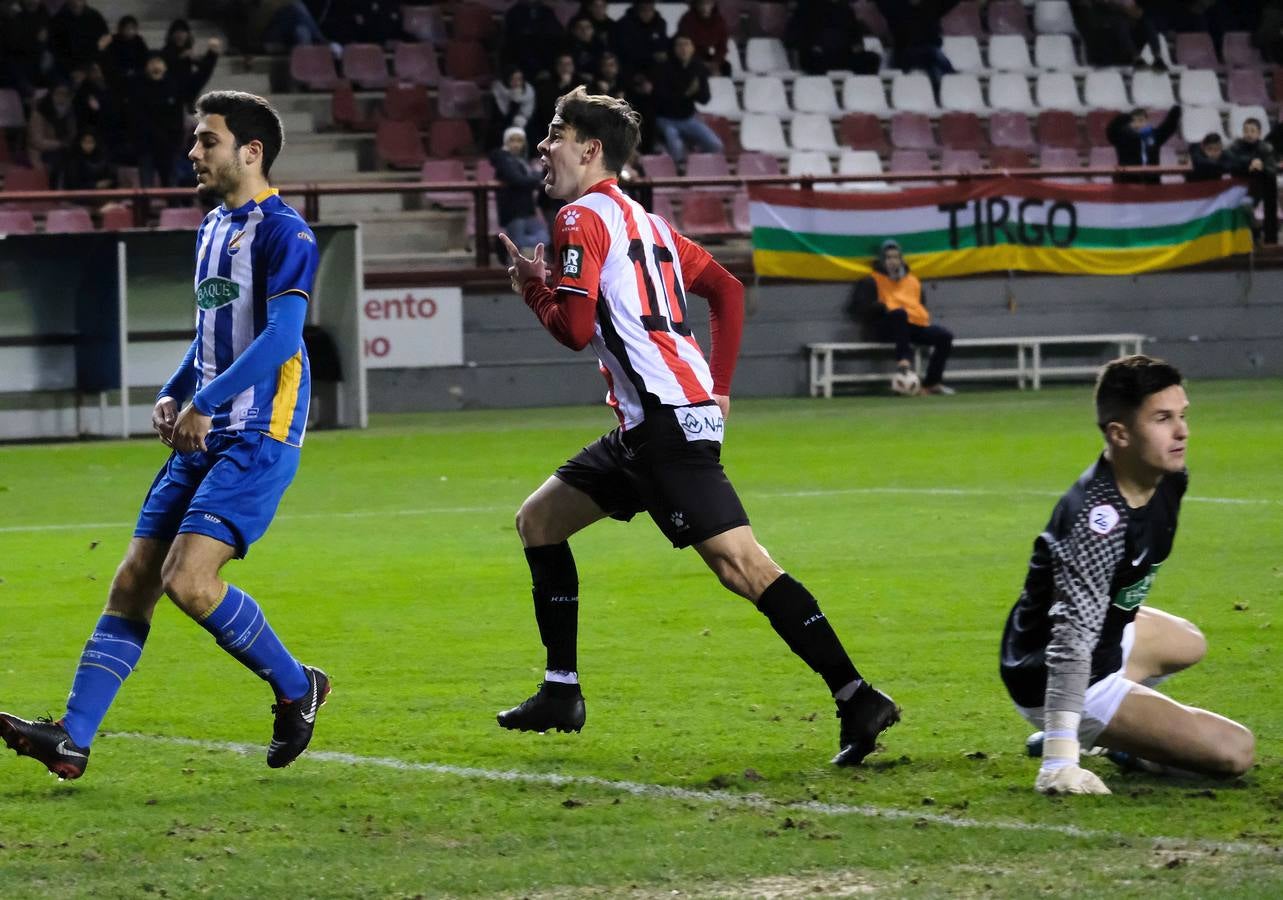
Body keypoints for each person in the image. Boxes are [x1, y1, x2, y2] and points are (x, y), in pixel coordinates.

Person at [494, 86, 899, 768]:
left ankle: (856, 694)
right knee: (539, 521)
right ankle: (560, 690)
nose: (543, 145)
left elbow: (575, 328)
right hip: (652, 424)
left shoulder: (578, 219)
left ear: (590, 150)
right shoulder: (647, 224)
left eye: (555, 133)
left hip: (666, 425)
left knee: (743, 566)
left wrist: (533, 288)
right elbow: (727, 291)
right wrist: (722, 388)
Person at [0, 90, 329, 781]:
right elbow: (211, 333)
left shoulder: (286, 233)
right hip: (203, 429)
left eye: (207, 140)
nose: (193, 152)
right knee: (133, 581)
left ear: (251, 152)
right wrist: (174, 392)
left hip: (258, 431)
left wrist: (203, 401)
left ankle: (297, 686)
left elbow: (282, 338)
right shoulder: (212, 227)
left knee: (188, 581)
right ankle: (72, 737)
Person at [1001, 355, 1254, 795]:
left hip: (1095, 637)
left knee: (1189, 641)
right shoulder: (1097, 523)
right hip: (1052, 672)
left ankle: (1105, 732)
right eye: (1162, 418)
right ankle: (1077, 732)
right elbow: (1070, 643)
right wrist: (1059, 760)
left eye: (1182, 415)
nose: (1182, 431)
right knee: (1236, 751)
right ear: (1120, 434)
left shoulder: (1167, 478)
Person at [850, 240, 954, 396]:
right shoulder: (871, 280)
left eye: (896, 257)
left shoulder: (913, 280)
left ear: (901, 259)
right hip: (884, 328)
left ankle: (932, 383)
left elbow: (919, 305)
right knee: (899, 314)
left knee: (945, 336)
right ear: (882, 260)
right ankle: (904, 362)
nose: (893, 261)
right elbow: (858, 310)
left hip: (911, 326)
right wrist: (879, 307)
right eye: (888, 258)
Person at [652, 34, 722, 167]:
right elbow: (663, 100)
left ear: (692, 48)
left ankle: (696, 165)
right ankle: (679, 170)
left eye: (686, 44)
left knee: (715, 145)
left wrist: (696, 91)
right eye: (679, 45)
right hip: (667, 119)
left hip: (688, 117)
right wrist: (688, 93)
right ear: (674, 48)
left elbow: (705, 99)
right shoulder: (664, 68)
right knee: (676, 146)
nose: (683, 48)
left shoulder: (698, 68)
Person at [491, 125, 550, 254]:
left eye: (519, 141)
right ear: (506, 141)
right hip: (513, 210)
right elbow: (517, 179)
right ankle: (503, 249)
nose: (516, 144)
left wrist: (535, 177)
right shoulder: (503, 159)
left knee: (543, 238)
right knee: (518, 242)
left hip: (526, 210)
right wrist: (537, 179)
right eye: (512, 140)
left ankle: (504, 249)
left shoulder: (521, 160)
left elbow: (528, 177)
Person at [786, 0, 880, 76]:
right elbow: (795, 38)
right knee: (810, 60)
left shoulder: (846, 10)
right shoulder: (807, 7)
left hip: (844, 56)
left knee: (871, 59)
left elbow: (856, 41)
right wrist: (811, 46)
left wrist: (855, 47)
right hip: (818, 56)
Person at [1106, 106, 1181, 184]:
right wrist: (1128, 114)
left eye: (1141, 120)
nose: (1138, 124)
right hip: (1128, 183)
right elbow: (1112, 128)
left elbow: (1169, 126)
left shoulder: (1153, 136)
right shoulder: (1122, 136)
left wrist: (1177, 107)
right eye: (1135, 121)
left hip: (1151, 184)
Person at [677, 0, 731, 76]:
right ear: (696, 5)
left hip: (706, 57)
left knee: (726, 67)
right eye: (702, 4)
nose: (705, 8)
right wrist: (702, 64)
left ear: (713, 4)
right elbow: (685, 47)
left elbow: (722, 47)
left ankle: (721, 83)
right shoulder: (687, 20)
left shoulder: (719, 21)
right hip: (690, 57)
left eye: (708, 4)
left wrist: (715, 63)